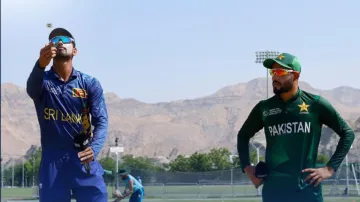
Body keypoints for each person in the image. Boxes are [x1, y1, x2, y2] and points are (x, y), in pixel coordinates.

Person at [237, 53, 355, 202]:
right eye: (272, 72)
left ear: (296, 75)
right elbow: (243, 135)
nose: (274, 77)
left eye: (280, 72)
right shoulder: (264, 108)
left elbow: (347, 133)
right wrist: (247, 167)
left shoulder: (315, 104)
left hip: (307, 191)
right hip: (273, 192)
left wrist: (329, 168)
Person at [26, 27, 109, 202]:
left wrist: (94, 149)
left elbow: (101, 121)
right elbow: (32, 90)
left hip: (83, 158)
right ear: (50, 48)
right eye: (55, 40)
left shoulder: (89, 83)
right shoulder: (43, 81)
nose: (60, 42)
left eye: (65, 39)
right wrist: (40, 64)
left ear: (75, 50)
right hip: (53, 161)